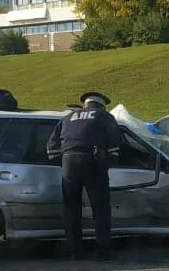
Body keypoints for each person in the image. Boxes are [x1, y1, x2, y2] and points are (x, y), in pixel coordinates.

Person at [47, 91, 122, 260]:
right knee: (100, 209)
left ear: (85, 104)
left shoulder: (68, 117)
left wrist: (62, 160)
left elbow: (51, 145)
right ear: (102, 105)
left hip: (69, 163)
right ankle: (103, 251)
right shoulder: (104, 116)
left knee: (71, 209)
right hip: (92, 162)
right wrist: (108, 162)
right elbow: (115, 142)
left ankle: (75, 250)